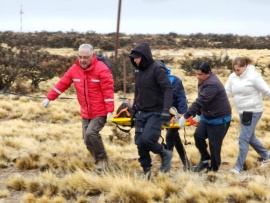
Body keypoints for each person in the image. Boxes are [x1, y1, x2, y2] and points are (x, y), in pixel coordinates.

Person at [42, 43, 114, 171]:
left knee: (92, 133)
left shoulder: (102, 69)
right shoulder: (74, 69)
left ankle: (103, 160)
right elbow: (62, 83)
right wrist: (49, 98)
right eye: (80, 57)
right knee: (86, 139)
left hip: (100, 110)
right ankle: (99, 162)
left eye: (85, 57)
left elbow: (108, 91)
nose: (82, 60)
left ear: (92, 56)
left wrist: (109, 111)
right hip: (86, 111)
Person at [129, 43, 173, 178]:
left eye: (137, 58)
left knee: (148, 139)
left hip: (156, 112)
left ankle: (165, 153)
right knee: (139, 142)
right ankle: (146, 171)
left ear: (144, 56)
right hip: (142, 112)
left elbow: (168, 89)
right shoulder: (138, 70)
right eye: (133, 58)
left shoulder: (157, 69)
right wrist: (135, 107)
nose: (135, 60)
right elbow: (138, 90)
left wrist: (166, 110)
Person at [179, 62, 231, 172]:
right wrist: (197, 114)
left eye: (200, 74)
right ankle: (205, 159)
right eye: (196, 74)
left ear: (208, 73)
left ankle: (213, 169)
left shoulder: (212, 84)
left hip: (220, 119)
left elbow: (200, 101)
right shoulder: (202, 81)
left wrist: (185, 116)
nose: (198, 77)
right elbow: (201, 99)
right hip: (207, 117)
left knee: (214, 145)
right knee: (198, 136)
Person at [225, 56, 270, 174]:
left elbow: (267, 91)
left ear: (245, 66)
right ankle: (266, 155)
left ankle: (238, 168)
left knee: (243, 138)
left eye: (238, 70)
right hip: (241, 111)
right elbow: (226, 92)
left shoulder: (254, 77)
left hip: (253, 110)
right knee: (250, 137)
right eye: (234, 70)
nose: (237, 72)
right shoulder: (232, 77)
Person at [161, 60, 191, 171]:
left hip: (177, 114)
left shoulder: (175, 81)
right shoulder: (155, 81)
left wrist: (183, 113)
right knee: (175, 138)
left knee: (170, 136)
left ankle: (166, 166)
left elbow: (182, 98)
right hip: (166, 115)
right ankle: (186, 164)